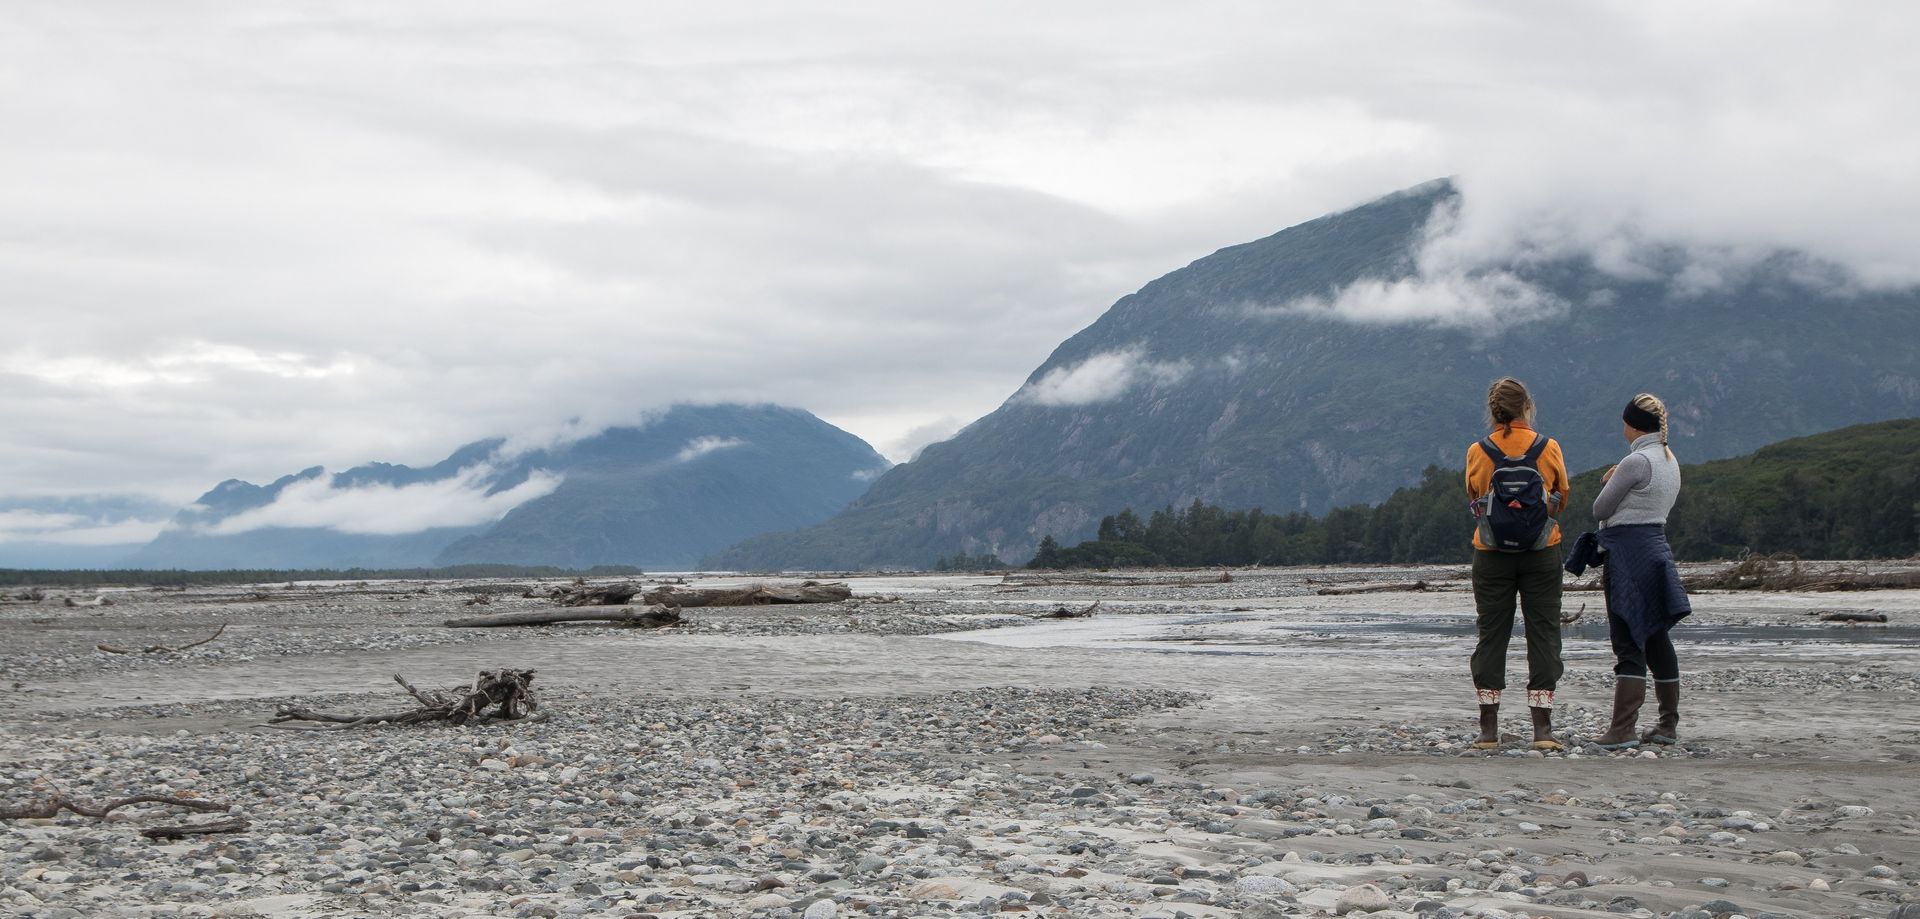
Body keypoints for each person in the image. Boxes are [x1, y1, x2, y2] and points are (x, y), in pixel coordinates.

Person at [1465, 377, 1570, 751]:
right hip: (1542, 552)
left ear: (1493, 410)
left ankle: (1488, 731)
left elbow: (1475, 497)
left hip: (1491, 554)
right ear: (1528, 407)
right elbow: (1561, 496)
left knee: (1492, 635)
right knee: (1543, 634)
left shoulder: (1478, 451)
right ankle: (1542, 731)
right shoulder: (1548, 447)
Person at [1588, 393, 1692, 749]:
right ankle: (1667, 725)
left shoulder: (1635, 461)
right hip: (1656, 549)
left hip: (1628, 554)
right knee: (1656, 635)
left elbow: (1600, 507)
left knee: (1628, 638)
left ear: (1631, 424)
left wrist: (1610, 479)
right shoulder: (1669, 458)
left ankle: (1622, 728)